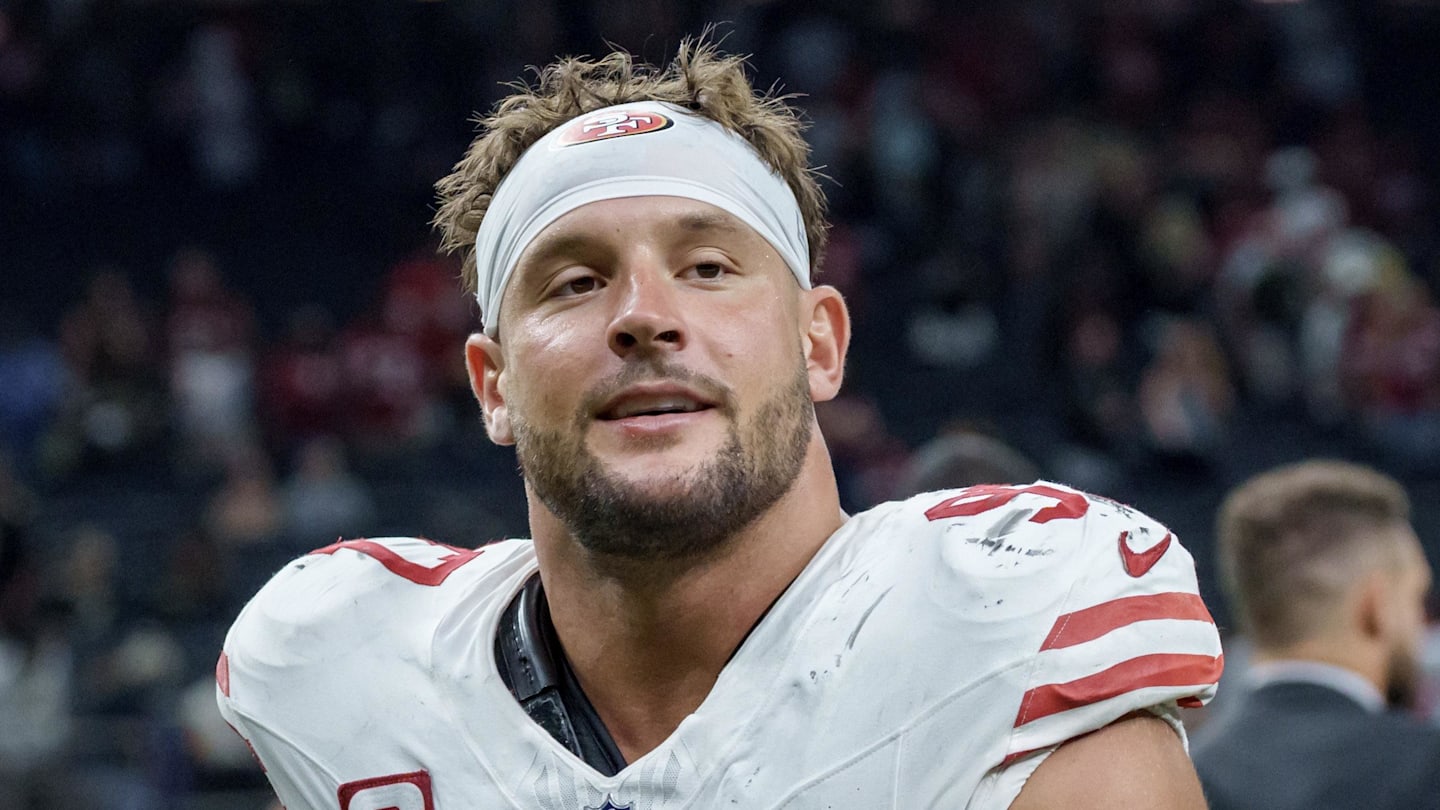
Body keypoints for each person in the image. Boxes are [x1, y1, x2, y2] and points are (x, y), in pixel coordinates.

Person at [216, 40, 1223, 809]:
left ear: (820, 344)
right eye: (575, 282)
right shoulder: (347, 674)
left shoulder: (1003, 627)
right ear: (493, 385)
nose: (644, 315)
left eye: (707, 267)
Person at [1190, 460, 1440, 810]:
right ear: (1376, 607)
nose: (1420, 624)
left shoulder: (1187, 776)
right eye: (1415, 598)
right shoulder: (1426, 768)